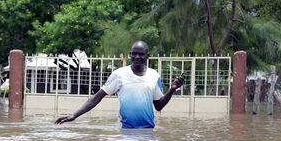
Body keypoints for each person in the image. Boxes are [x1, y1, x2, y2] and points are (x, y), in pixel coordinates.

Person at [55, 41, 185, 128]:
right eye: (134, 53)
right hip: (125, 130)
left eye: (141, 54)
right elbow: (97, 97)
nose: (137, 57)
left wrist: (172, 90)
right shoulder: (119, 74)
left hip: (148, 130)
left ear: (147, 56)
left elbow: (159, 106)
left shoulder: (154, 75)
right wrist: (74, 115)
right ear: (130, 55)